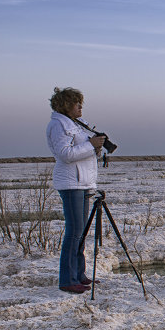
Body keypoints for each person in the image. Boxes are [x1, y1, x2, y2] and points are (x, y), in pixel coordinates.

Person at [47, 87, 105, 294]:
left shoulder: (77, 125)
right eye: (76, 103)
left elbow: (83, 153)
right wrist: (91, 145)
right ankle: (67, 279)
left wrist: (95, 148)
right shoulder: (58, 125)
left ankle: (79, 274)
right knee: (74, 232)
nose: (80, 107)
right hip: (71, 183)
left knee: (81, 232)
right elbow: (65, 154)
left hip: (83, 182)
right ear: (66, 105)